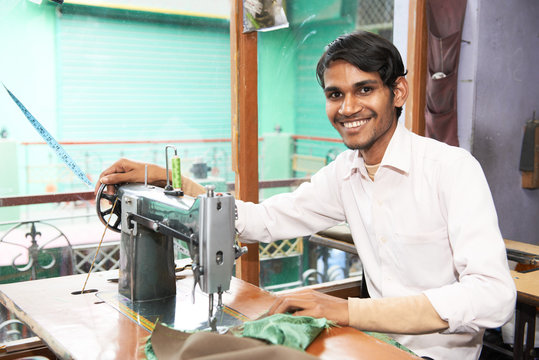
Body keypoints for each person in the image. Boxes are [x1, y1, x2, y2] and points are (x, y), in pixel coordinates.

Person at [96, 31, 516, 359]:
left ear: (398, 92)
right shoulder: (344, 173)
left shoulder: (452, 170)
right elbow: (262, 222)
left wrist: (346, 311)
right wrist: (171, 179)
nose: (348, 107)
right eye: (335, 94)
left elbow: (494, 298)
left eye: (364, 89)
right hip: (370, 345)